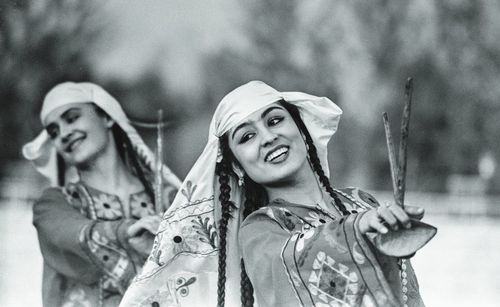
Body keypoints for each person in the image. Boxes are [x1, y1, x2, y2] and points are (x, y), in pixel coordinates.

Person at [120, 81, 434, 307]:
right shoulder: (261, 228)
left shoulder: (362, 202)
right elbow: (285, 259)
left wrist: (393, 234)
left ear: (301, 129)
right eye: (247, 137)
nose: (268, 137)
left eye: (274, 120)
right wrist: (357, 230)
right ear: (238, 167)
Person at [22, 82, 181, 307]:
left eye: (71, 118)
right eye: (54, 132)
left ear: (106, 118)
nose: (64, 134)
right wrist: (124, 232)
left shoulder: (170, 199)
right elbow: (69, 233)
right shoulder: (53, 205)